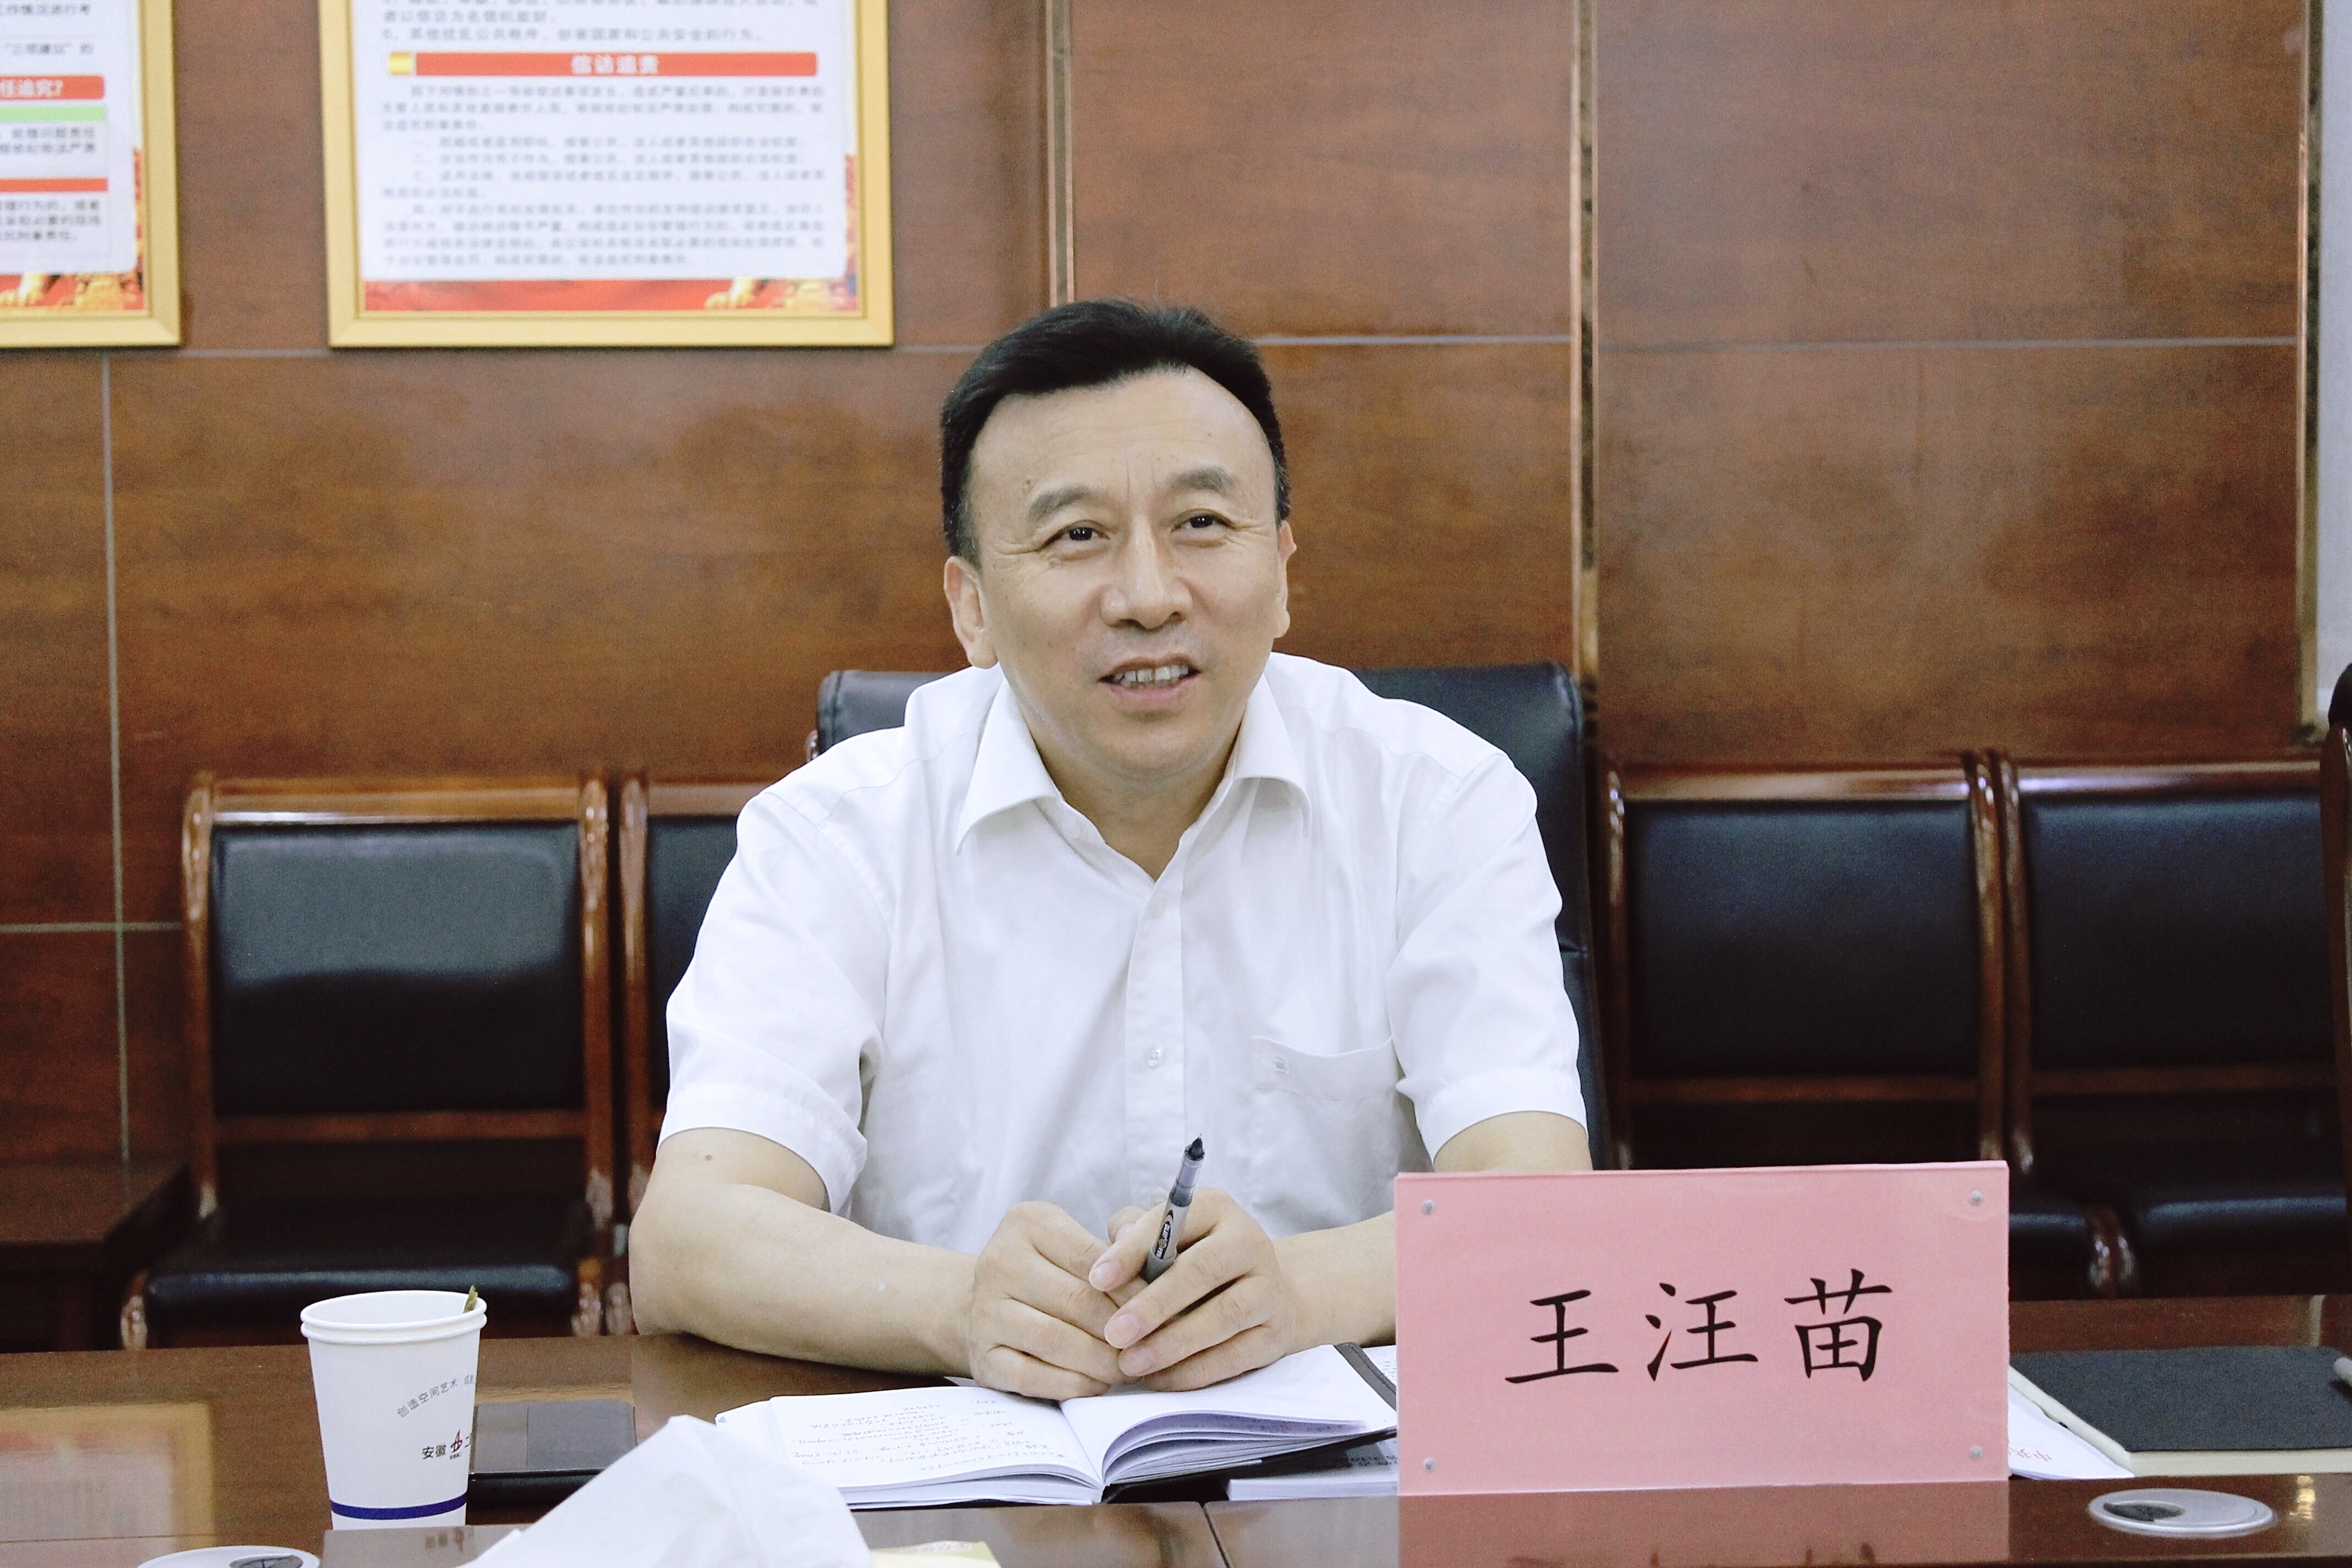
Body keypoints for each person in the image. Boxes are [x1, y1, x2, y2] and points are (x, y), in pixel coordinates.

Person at [630, 299, 1590, 1396]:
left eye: (1202, 524)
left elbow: (1543, 1210)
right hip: (965, 1475)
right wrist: (957, 1308)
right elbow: (688, 1239)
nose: (1147, 597)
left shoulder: (1438, 802)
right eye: (1076, 536)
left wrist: (1294, 1292)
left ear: (1282, 572)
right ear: (971, 609)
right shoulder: (837, 837)